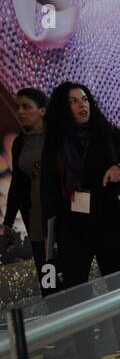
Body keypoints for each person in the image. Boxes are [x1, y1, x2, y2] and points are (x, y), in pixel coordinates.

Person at [40, 82, 120, 300]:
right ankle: (82, 336)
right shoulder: (54, 144)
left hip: (111, 228)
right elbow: (48, 194)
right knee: (75, 299)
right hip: (72, 233)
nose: (81, 105)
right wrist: (50, 241)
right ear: (62, 108)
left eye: (85, 99)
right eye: (73, 101)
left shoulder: (111, 136)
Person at [2, 88, 53, 293]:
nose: (20, 111)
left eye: (26, 107)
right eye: (17, 107)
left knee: (67, 274)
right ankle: (57, 318)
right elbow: (18, 184)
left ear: (42, 111)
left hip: (60, 218)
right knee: (47, 278)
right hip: (35, 219)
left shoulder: (56, 139)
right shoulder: (20, 142)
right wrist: (8, 222)